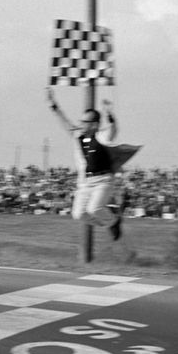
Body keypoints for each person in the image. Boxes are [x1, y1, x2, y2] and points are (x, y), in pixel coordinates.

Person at [47, 88, 123, 241]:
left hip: (103, 181)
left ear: (94, 125)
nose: (81, 124)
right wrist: (54, 106)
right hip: (85, 183)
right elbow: (65, 122)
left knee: (94, 209)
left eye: (85, 122)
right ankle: (108, 224)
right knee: (79, 214)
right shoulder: (78, 136)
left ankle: (114, 222)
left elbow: (113, 130)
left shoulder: (102, 136)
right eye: (81, 121)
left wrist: (109, 114)